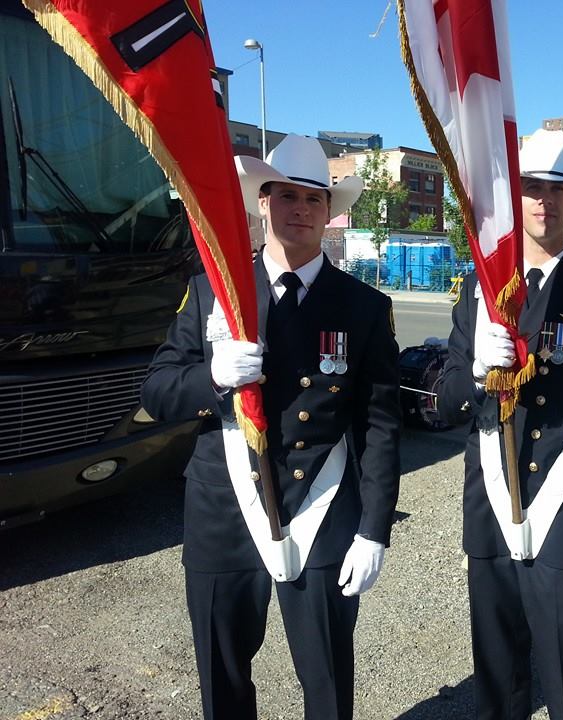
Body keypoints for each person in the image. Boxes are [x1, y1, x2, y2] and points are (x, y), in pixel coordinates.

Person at [141, 134, 401, 720]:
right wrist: (213, 377)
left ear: (330, 212)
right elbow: (156, 392)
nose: (300, 210)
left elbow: (379, 426)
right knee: (223, 673)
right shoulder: (215, 290)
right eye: (286, 196)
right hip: (224, 506)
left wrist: (375, 527)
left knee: (327, 676)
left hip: (322, 505)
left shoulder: (363, 306)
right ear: (262, 202)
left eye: (314, 199)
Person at [436, 129, 563, 719]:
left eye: (558, 190)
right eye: (531, 187)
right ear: (513, 195)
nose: (543, 201)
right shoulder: (477, 292)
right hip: (491, 501)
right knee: (496, 673)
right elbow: (447, 403)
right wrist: (477, 369)